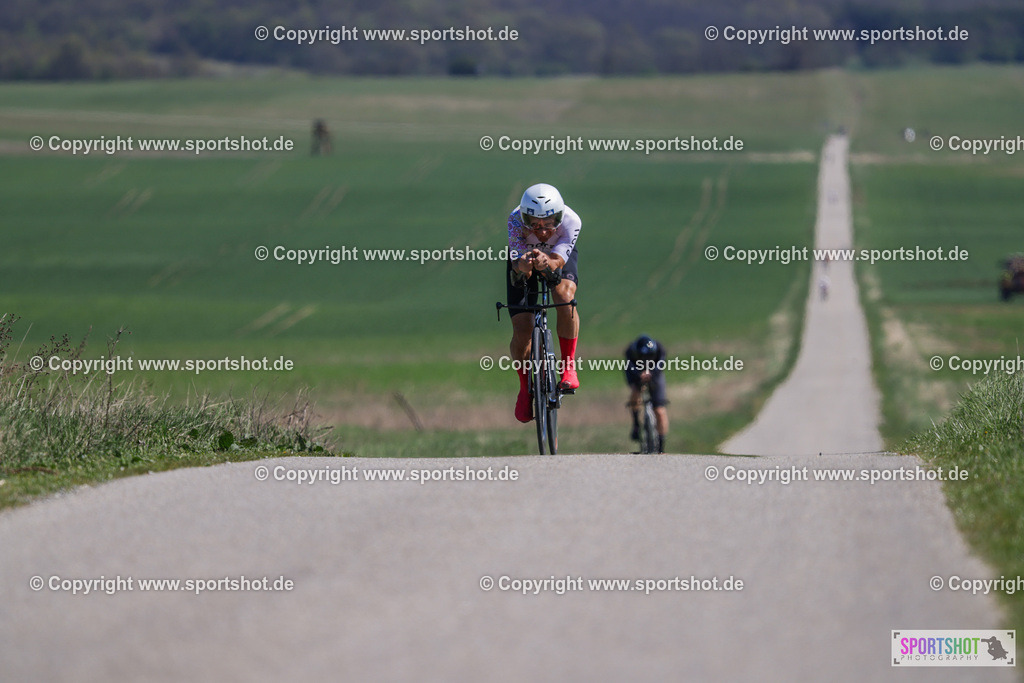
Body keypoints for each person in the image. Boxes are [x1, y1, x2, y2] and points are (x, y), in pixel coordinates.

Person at [506, 183, 581, 423]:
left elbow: (558, 263)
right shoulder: (514, 220)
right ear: (523, 218)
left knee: (565, 297)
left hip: (556, 257)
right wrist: (524, 265)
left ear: (559, 217)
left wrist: (546, 263)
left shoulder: (571, 221)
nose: (543, 231)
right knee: (522, 330)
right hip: (523, 260)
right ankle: (525, 388)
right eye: (534, 224)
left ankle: (568, 366)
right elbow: (518, 268)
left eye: (550, 223)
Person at [624, 335, 669, 453]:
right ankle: (636, 424)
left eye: (649, 355)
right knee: (635, 392)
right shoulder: (630, 351)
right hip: (636, 374)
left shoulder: (659, 349)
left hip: (655, 374)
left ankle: (661, 445)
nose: (645, 358)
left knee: (659, 410)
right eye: (642, 356)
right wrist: (639, 376)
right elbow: (629, 368)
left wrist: (651, 374)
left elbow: (660, 364)